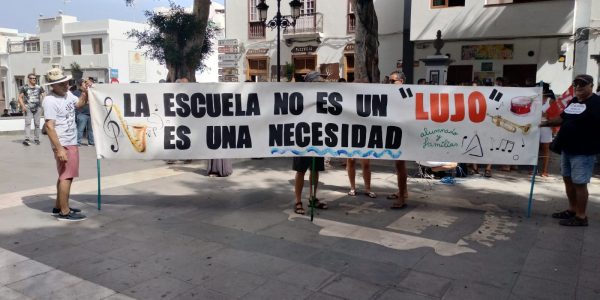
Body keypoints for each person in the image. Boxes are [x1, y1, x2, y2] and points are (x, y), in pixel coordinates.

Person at [541, 74, 600, 226]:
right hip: (567, 149)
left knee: (580, 183)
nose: (578, 87)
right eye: (576, 84)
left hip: (583, 151)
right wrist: (543, 123)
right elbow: (562, 118)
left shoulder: (596, 102)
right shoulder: (574, 101)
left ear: (591, 86)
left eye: (582, 84)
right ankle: (572, 209)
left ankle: (581, 217)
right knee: (568, 180)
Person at [42, 68, 91, 221]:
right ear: (53, 86)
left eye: (66, 82)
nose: (66, 85)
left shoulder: (67, 94)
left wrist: (85, 92)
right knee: (67, 177)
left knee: (64, 175)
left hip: (70, 140)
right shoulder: (50, 101)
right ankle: (64, 211)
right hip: (63, 142)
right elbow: (49, 126)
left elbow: (79, 105)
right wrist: (59, 149)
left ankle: (59, 207)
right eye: (61, 84)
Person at [293, 71, 328, 215]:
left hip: (318, 137)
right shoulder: (301, 97)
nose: (322, 82)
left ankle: (313, 197)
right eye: (319, 80)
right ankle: (298, 201)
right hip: (303, 138)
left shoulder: (324, 97)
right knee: (301, 170)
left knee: (315, 169)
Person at [387, 71, 408, 209]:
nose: (390, 84)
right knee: (398, 165)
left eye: (393, 81)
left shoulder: (406, 94)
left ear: (401, 81)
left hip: (404, 133)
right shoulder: (390, 94)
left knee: (400, 165)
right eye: (389, 81)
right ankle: (403, 191)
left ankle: (401, 196)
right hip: (395, 131)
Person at [18, 73, 45, 146]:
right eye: (32, 78)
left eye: (35, 78)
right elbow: (20, 97)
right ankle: (27, 139)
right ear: (29, 79)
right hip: (28, 107)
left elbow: (44, 96)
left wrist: (43, 104)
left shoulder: (39, 87)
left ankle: (36, 139)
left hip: (38, 107)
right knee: (28, 123)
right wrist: (23, 106)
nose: (34, 79)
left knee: (37, 124)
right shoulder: (24, 88)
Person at [534, 89, 555, 177]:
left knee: (545, 149)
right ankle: (534, 170)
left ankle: (545, 170)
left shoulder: (551, 101)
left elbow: (556, 114)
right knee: (535, 148)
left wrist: (546, 115)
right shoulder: (535, 99)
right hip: (536, 125)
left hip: (546, 127)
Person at [73, 81, 94, 146]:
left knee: (91, 130)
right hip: (82, 114)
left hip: (91, 114)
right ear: (81, 85)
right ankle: (78, 142)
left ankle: (91, 142)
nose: (86, 85)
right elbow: (77, 103)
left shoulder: (91, 92)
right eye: (85, 84)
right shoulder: (76, 93)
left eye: (87, 84)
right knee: (80, 129)